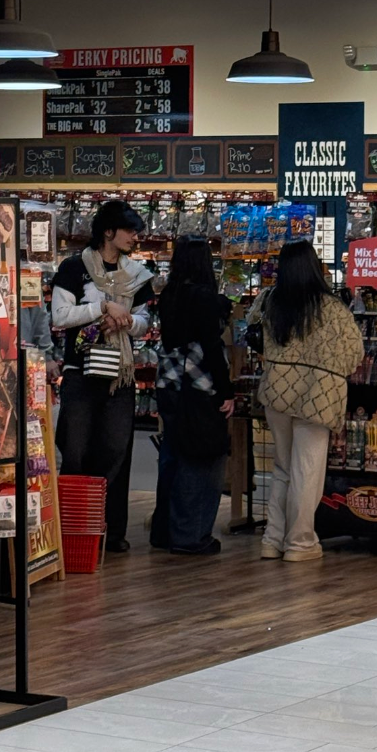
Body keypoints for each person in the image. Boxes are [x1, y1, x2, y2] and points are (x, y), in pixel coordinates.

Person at [51, 200, 154, 552]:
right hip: (81, 373)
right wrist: (102, 309)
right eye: (129, 230)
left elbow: (143, 323)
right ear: (108, 231)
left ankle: (109, 530)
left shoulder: (137, 275)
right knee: (76, 448)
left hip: (119, 377)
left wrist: (126, 320)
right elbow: (61, 316)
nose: (135, 237)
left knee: (115, 450)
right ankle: (73, 530)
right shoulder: (73, 268)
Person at [250, 240, 362, 561]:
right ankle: (300, 543)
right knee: (307, 470)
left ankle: (273, 540)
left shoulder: (271, 301)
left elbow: (254, 332)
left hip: (278, 390)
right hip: (319, 394)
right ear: (315, 267)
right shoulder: (332, 309)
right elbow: (353, 351)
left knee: (283, 468)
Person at [150, 236, 234, 556]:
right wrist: (225, 391)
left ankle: (165, 530)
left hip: (168, 383)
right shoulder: (204, 297)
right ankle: (191, 534)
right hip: (197, 385)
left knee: (172, 456)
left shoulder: (169, 294)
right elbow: (211, 347)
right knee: (202, 460)